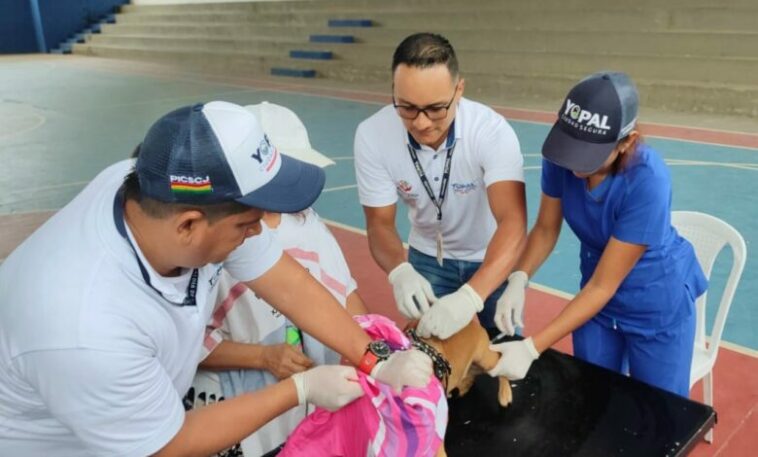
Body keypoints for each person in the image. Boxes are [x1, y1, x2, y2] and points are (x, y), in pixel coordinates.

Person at [0, 101, 432, 456]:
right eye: (249, 222)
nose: (260, 231)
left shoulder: (155, 193)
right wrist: (299, 390)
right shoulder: (85, 327)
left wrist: (376, 356)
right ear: (188, 227)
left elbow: (286, 281)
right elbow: (168, 444)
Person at [488, 72, 708, 397]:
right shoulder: (562, 155)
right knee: (593, 398)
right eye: (571, 147)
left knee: (659, 412)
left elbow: (604, 285)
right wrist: (519, 277)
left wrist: (532, 348)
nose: (575, 164)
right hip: (596, 299)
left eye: (588, 154)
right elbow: (547, 228)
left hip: (655, 300)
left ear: (626, 142)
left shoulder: (648, 180)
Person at [193, 102, 369, 456]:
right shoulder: (218, 241)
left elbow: (345, 293)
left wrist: (375, 350)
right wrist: (263, 357)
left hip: (314, 402)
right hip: (244, 410)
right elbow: (188, 348)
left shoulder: (308, 222)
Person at [354, 32, 527, 340]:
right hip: (425, 260)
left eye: (436, 108)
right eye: (406, 107)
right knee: (430, 358)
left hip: (491, 257)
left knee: (501, 350)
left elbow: (512, 221)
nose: (421, 123)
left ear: (459, 90)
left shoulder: (490, 131)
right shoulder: (372, 135)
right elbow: (379, 223)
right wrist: (399, 271)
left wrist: (471, 297)